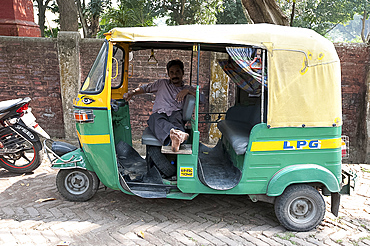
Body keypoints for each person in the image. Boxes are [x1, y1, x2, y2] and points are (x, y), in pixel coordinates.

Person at [123, 59, 196, 152]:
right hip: (160, 114)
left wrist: (188, 91)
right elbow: (145, 88)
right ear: (168, 74)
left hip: (176, 114)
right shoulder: (162, 83)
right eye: (172, 72)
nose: (175, 75)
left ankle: (177, 136)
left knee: (176, 120)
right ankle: (179, 135)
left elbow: (201, 98)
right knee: (154, 119)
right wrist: (132, 93)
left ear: (183, 73)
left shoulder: (187, 88)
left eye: (178, 72)